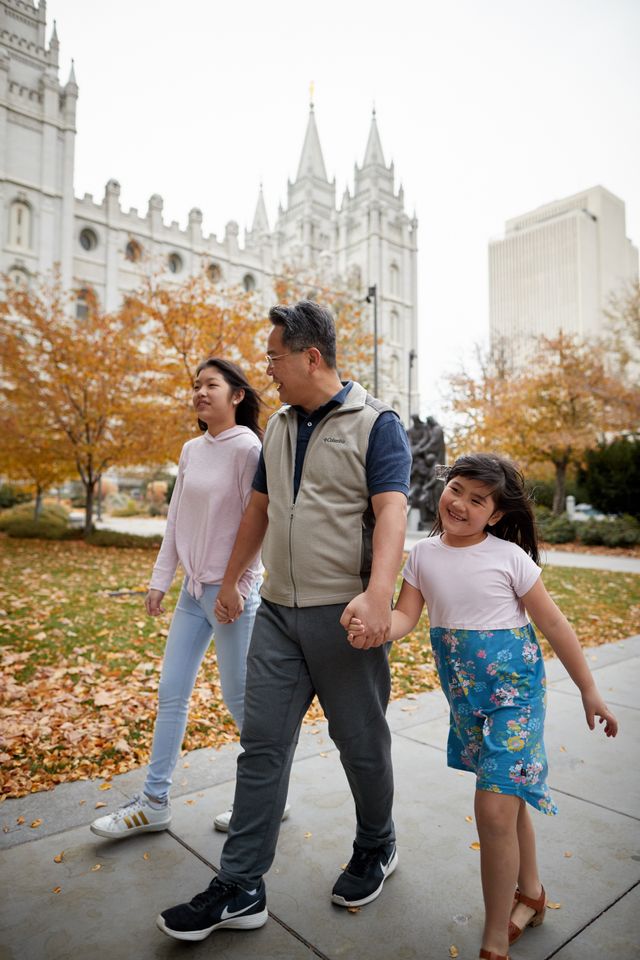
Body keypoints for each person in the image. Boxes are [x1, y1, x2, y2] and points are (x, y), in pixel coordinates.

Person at [156, 299, 412, 942]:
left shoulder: (377, 424)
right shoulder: (277, 428)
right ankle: (241, 886)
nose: (267, 368)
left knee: (360, 744)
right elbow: (259, 510)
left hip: (343, 616)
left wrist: (380, 594)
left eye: (273, 356)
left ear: (311, 357)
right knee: (262, 746)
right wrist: (233, 583)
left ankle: (377, 843)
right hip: (276, 612)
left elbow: (391, 513)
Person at [348, 453, 618, 960]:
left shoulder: (509, 558)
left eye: (478, 500)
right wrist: (377, 630)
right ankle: (532, 895)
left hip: (516, 698)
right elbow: (406, 616)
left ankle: (495, 939)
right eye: (457, 490)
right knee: (506, 802)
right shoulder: (423, 557)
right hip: (467, 700)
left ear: (495, 514)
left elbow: (555, 626)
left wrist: (589, 689)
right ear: (442, 489)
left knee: (493, 807)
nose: (461, 504)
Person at [90, 358, 267, 840]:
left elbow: (258, 522)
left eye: (211, 384)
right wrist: (160, 578)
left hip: (233, 596)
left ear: (236, 396)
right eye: (195, 385)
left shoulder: (248, 448)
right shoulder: (192, 449)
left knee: (239, 699)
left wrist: (237, 585)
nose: (200, 392)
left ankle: (265, 795)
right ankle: (154, 802)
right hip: (193, 593)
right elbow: (175, 519)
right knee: (171, 695)